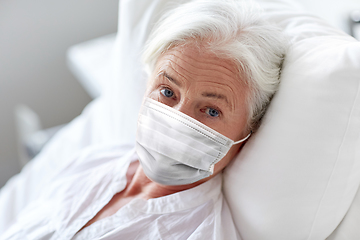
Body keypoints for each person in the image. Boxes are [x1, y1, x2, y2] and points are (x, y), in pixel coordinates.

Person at [0, 0, 287, 239]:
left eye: (211, 110)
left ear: (249, 129)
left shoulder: (194, 233)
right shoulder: (93, 160)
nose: (176, 120)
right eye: (167, 91)